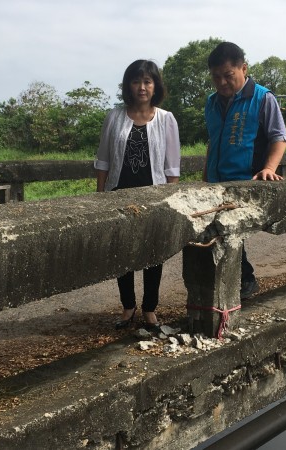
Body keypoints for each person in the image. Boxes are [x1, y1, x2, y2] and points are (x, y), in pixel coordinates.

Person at [95, 59, 181, 331]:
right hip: (119, 193)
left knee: (154, 253)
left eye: (147, 81)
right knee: (123, 253)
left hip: (154, 194)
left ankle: (150, 309)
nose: (142, 87)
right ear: (128, 85)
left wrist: (170, 198)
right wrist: (100, 196)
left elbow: (172, 166)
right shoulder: (114, 116)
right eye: (136, 81)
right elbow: (104, 160)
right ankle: (128, 306)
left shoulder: (166, 119)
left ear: (155, 86)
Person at [203, 42, 286, 300]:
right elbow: (213, 139)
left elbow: (279, 137)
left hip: (245, 180)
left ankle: (245, 282)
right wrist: (206, 175)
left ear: (243, 68)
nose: (222, 83)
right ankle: (238, 283)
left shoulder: (263, 98)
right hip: (217, 181)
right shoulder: (211, 102)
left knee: (228, 234)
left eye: (228, 76)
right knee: (217, 235)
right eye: (216, 77)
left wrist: (269, 168)